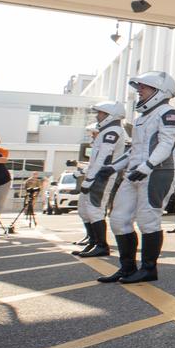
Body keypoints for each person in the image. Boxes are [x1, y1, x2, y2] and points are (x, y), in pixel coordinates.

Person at [91, 73, 175, 284]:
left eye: (145, 87)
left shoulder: (169, 112)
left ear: (160, 91)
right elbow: (133, 151)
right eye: (139, 87)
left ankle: (149, 269)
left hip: (158, 173)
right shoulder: (141, 118)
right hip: (135, 173)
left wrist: (148, 166)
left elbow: (167, 144)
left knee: (148, 220)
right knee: (119, 219)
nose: (139, 90)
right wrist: (112, 168)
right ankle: (127, 268)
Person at [76, 102, 127, 258]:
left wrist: (89, 179)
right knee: (84, 211)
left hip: (102, 175)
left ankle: (101, 245)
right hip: (95, 174)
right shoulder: (106, 131)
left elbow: (103, 157)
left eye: (101, 113)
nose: (98, 116)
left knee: (95, 210)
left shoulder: (113, 131)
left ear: (110, 115)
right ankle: (93, 241)